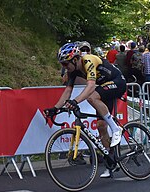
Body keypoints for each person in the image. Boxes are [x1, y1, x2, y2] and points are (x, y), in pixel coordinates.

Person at [44, 43, 126, 178]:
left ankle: (116, 128)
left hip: (117, 82)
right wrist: (55, 108)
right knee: (101, 126)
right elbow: (68, 91)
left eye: (65, 64)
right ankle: (111, 163)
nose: (64, 67)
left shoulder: (88, 60)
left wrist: (75, 101)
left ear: (75, 59)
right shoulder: (73, 70)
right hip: (105, 87)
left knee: (92, 98)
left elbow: (91, 86)